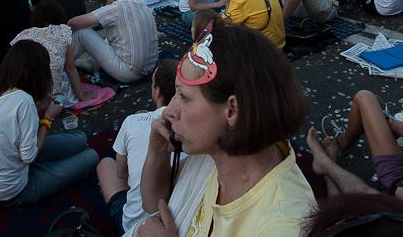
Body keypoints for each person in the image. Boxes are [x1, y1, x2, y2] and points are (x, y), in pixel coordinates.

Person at [133, 22, 315, 236]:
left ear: (232, 110)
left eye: (183, 96)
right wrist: (157, 152)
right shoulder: (217, 152)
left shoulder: (282, 226)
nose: (167, 112)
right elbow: (153, 204)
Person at [0, 39, 99, 205]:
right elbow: (29, 158)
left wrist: (41, 106)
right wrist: (48, 118)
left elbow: (12, 125)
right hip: (13, 191)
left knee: (80, 139)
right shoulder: (23, 101)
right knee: (91, 156)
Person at [97, 59, 178, 235]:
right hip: (164, 215)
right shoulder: (189, 134)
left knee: (106, 164)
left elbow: (121, 174)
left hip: (136, 225)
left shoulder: (132, 121)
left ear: (156, 90)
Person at [69, 0, 158, 83]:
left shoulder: (118, 7)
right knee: (113, 32)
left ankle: (59, 67)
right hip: (150, 67)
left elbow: (73, 23)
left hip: (130, 72)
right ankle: (91, 62)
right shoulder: (140, 2)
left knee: (82, 33)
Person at [8, 0, 89, 107]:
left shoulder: (23, 35)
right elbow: (70, 68)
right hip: (52, 96)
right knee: (61, 92)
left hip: (25, 97)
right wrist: (82, 96)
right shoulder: (64, 32)